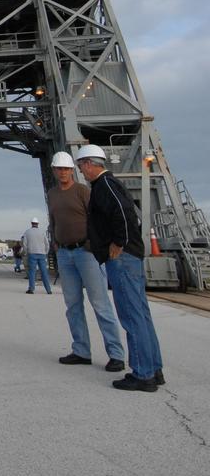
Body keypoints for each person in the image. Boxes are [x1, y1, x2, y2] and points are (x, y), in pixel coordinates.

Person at [76, 144, 164, 393]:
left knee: (131, 317)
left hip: (122, 259)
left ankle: (142, 375)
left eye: (82, 165)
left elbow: (125, 214)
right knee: (142, 315)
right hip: (128, 257)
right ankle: (153, 368)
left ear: (91, 164)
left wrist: (118, 242)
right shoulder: (108, 185)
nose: (81, 170)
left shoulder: (105, 186)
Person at [46, 152, 125, 372]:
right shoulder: (52, 194)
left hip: (86, 252)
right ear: (53, 171)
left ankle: (116, 354)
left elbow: (96, 218)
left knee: (100, 304)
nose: (62, 172)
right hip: (64, 253)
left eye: (66, 169)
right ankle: (81, 351)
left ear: (72, 170)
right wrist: (55, 242)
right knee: (72, 306)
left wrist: (93, 245)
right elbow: (53, 221)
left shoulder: (82, 191)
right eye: (59, 169)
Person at [21, 217, 52, 294]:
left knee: (32, 272)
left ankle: (31, 289)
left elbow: (24, 244)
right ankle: (48, 290)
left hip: (32, 254)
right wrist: (46, 252)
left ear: (31, 223)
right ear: (38, 223)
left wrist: (25, 252)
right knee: (44, 272)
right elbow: (47, 244)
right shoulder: (42, 232)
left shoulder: (27, 232)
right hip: (42, 254)